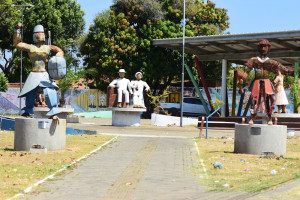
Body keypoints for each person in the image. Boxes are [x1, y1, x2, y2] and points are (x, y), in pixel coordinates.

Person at [237, 40, 294, 125]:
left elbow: (284, 69)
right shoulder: (253, 60)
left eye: (265, 46)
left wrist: (294, 72)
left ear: (269, 48)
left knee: (269, 99)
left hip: (267, 82)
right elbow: (246, 71)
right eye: (261, 46)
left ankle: (270, 117)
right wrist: (243, 79)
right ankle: (252, 117)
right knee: (254, 100)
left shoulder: (271, 62)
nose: (263, 48)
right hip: (256, 82)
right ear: (258, 48)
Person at [13, 22, 63, 118]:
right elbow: (17, 43)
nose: (40, 35)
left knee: (49, 90)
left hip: (44, 73)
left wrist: (57, 58)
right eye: (38, 33)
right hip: (34, 73)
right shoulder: (30, 47)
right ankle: (28, 111)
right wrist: (17, 30)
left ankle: (53, 111)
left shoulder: (47, 47)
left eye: (41, 33)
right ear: (34, 35)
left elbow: (59, 51)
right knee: (31, 92)